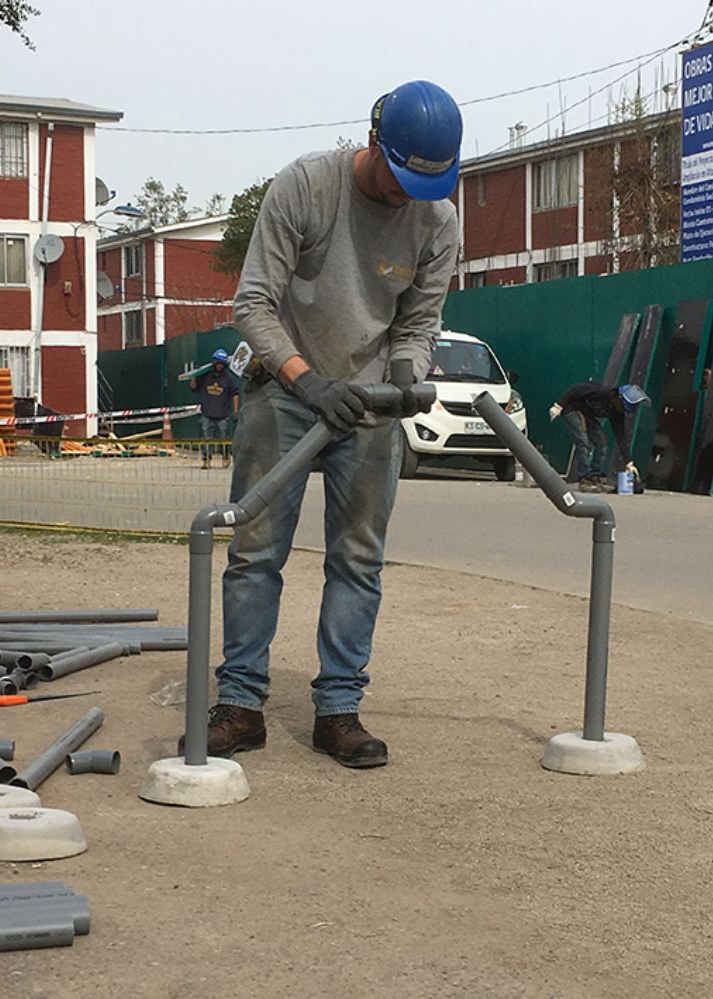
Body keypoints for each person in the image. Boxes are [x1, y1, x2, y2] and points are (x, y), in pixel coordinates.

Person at [179, 80, 462, 769]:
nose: (406, 199)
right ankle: (241, 705)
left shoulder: (437, 219)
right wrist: (306, 379)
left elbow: (419, 322)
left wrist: (403, 379)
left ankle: (339, 710)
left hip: (367, 405)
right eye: (398, 182)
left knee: (359, 560)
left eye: (421, 188)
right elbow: (253, 304)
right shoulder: (306, 188)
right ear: (374, 142)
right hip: (285, 389)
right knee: (254, 551)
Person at [549, 382, 650, 490]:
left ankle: (595, 475)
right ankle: (584, 476)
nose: (623, 410)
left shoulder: (617, 413)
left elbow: (621, 437)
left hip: (587, 414)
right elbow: (575, 389)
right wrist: (558, 406)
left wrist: (629, 462)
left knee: (602, 442)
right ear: (618, 398)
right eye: (623, 407)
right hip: (573, 409)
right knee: (583, 441)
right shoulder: (601, 393)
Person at [190, 348, 239, 468]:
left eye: (222, 364)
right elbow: (194, 387)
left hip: (222, 415)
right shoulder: (205, 376)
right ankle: (206, 461)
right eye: (218, 363)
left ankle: (226, 456)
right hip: (207, 414)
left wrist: (236, 410)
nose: (220, 366)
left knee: (224, 439)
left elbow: (235, 393)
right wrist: (193, 376)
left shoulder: (227, 378)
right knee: (207, 439)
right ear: (214, 362)